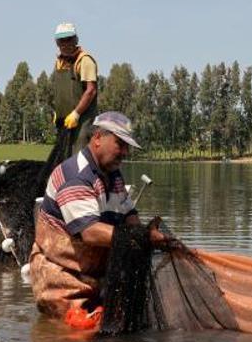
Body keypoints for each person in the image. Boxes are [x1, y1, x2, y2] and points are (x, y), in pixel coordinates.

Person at [28, 111, 166, 326]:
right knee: (83, 334)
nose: (125, 152)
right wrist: (143, 237)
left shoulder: (113, 174)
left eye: (127, 146)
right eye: (120, 144)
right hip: (62, 279)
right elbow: (90, 232)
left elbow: (129, 215)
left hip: (96, 278)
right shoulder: (76, 176)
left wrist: (145, 234)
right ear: (98, 138)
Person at [51, 22, 98, 158]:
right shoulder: (60, 62)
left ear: (76, 39)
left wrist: (76, 114)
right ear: (57, 42)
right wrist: (57, 112)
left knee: (79, 158)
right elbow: (61, 92)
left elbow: (91, 91)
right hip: (64, 120)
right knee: (62, 158)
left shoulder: (84, 60)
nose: (65, 44)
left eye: (69, 39)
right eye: (61, 40)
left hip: (82, 120)